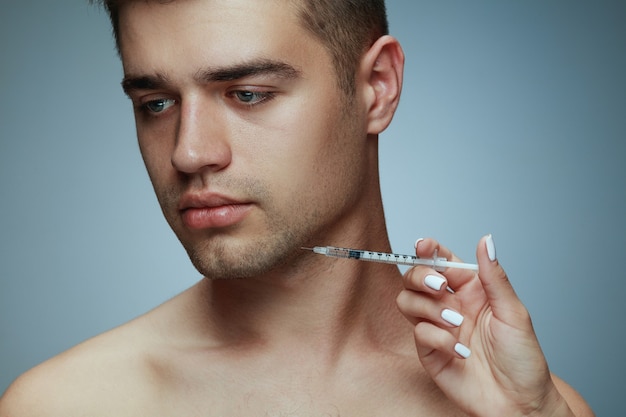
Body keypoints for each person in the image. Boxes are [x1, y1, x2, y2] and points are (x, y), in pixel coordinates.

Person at [0, 0, 594, 416]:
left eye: (248, 94)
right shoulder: (64, 405)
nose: (189, 152)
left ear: (378, 87)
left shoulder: (528, 405)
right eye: (155, 103)